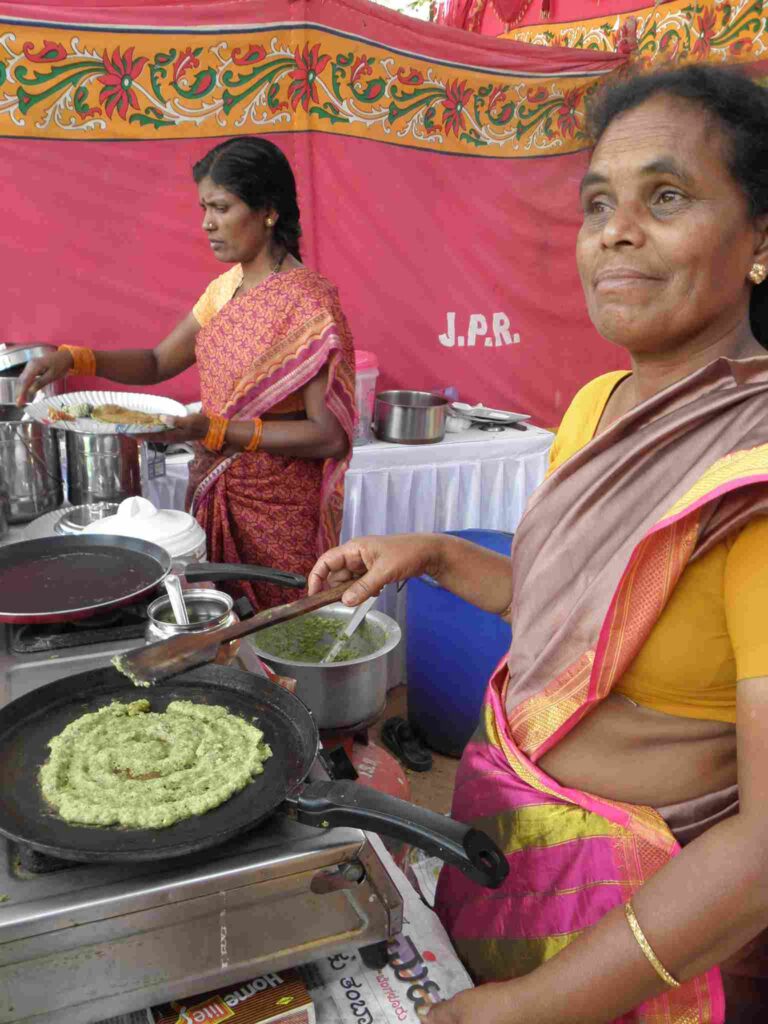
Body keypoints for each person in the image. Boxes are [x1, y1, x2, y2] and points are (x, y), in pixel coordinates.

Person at [308, 65, 768, 1023]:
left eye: (667, 197)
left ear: (760, 239)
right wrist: (431, 552)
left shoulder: (753, 476)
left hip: (645, 931)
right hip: (507, 847)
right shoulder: (597, 407)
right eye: (598, 202)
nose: (616, 231)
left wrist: (544, 1004)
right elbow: (574, 615)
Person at [19, 137, 356, 611]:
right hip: (216, 487)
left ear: (268, 210)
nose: (207, 224)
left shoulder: (309, 305)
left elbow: (330, 436)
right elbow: (158, 362)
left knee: (279, 628)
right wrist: (77, 358)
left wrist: (217, 429)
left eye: (221, 207)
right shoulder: (225, 290)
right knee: (220, 626)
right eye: (204, 208)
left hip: (278, 509)